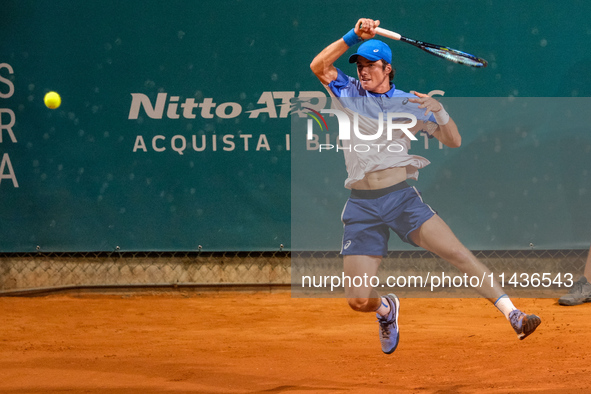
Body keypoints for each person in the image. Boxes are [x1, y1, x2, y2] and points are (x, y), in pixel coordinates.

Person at [309, 18, 541, 354]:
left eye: (370, 65)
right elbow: (318, 65)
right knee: (359, 300)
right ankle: (387, 309)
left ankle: (514, 315)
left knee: (457, 253)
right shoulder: (346, 91)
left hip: (401, 199)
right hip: (361, 204)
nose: (363, 71)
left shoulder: (411, 104)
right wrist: (352, 36)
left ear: (388, 68)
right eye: (359, 65)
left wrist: (441, 113)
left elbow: (455, 141)